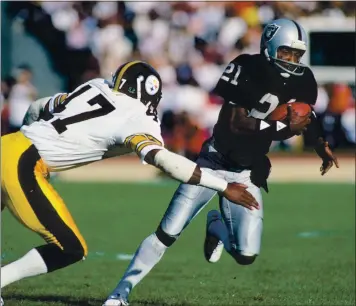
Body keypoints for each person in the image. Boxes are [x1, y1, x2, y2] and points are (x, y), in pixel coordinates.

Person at [103, 19, 339, 306]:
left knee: (245, 255)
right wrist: (281, 128)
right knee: (167, 233)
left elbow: (306, 116)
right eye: (286, 52)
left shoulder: (304, 79)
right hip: (213, 162)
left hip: (247, 172)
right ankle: (120, 293)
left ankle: (216, 225)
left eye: (296, 55)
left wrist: (320, 144)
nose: (292, 60)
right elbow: (235, 122)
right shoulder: (246, 67)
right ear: (270, 47)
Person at [0, 61, 259, 305]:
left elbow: (37, 107)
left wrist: (27, 138)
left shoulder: (95, 86)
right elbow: (163, 160)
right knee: (71, 248)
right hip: (23, 162)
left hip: (8, 144)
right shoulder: (138, 117)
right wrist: (224, 187)